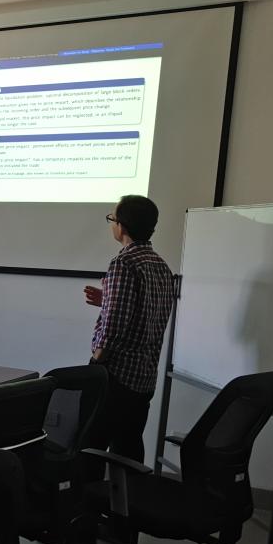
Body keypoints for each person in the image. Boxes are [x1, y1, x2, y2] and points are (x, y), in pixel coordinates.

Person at [83, 194, 175, 465]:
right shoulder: (160, 264)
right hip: (144, 375)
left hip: (117, 376)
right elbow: (149, 312)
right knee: (128, 446)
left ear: (122, 226)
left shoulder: (124, 263)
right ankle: (129, 492)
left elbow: (114, 327)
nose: (112, 224)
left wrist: (96, 361)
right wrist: (108, 300)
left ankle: (90, 493)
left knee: (91, 445)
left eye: (112, 218)